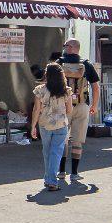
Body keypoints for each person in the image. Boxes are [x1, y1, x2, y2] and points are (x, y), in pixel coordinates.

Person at [57, 39, 101, 184]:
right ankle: (74, 173)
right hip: (82, 105)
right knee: (77, 140)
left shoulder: (58, 62)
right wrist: (94, 105)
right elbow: (95, 87)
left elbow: (48, 83)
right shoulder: (86, 64)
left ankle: (61, 171)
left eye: (66, 46)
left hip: (63, 105)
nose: (64, 48)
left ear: (72, 48)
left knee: (62, 140)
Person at [31, 61, 77, 191]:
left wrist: (33, 126)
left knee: (47, 151)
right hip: (61, 124)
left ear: (47, 74)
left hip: (44, 124)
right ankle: (51, 180)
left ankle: (49, 179)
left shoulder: (40, 90)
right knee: (56, 152)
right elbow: (69, 111)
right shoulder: (67, 91)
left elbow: (36, 109)